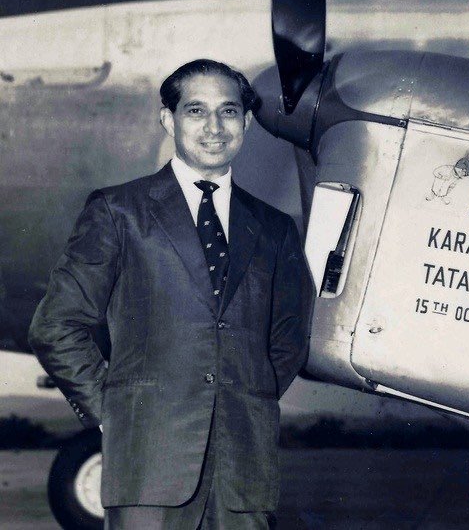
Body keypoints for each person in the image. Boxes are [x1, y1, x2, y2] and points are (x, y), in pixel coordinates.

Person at [29, 59, 314, 529]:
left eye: (228, 111)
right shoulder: (118, 211)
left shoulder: (275, 229)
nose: (214, 127)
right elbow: (56, 325)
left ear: (245, 122)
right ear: (169, 119)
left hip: (242, 477)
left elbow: (289, 339)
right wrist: (115, 412)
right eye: (196, 111)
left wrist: (244, 399)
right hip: (146, 466)